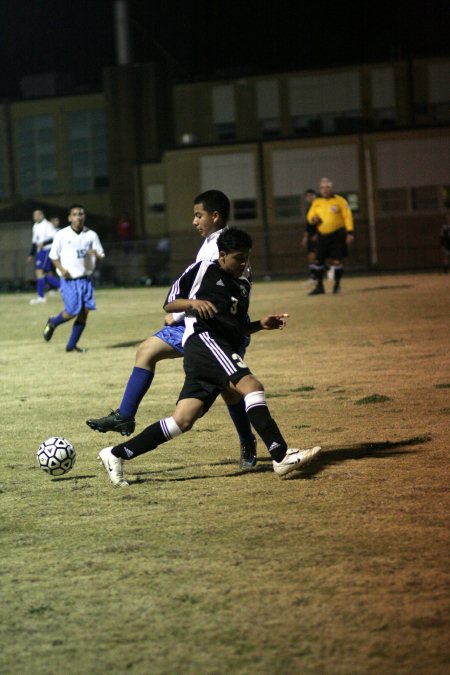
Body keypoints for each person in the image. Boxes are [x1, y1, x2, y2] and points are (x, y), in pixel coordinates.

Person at [97, 227, 322, 487]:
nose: (244, 263)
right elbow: (170, 303)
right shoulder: (202, 269)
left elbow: (235, 327)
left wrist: (261, 324)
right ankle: (281, 454)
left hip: (217, 347)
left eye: (247, 258)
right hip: (205, 341)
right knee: (251, 387)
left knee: (182, 420)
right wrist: (192, 304)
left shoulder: (243, 285)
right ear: (223, 255)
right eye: (239, 258)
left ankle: (115, 454)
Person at [87, 190, 258, 469]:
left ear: (215, 216)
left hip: (214, 329)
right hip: (191, 324)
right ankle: (125, 416)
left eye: (198, 215)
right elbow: (196, 291)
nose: (194, 221)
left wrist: (180, 312)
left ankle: (247, 440)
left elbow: (218, 299)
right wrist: (181, 312)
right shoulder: (210, 244)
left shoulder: (223, 248)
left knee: (232, 392)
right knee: (146, 351)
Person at [42, 204, 105, 352]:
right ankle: (53, 322)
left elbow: (101, 255)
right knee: (71, 311)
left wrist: (96, 255)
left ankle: (71, 346)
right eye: (75, 214)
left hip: (86, 279)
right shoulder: (62, 235)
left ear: (84, 217)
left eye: (81, 214)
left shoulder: (91, 235)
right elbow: (53, 256)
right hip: (69, 279)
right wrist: (61, 269)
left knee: (84, 312)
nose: (78, 217)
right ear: (70, 218)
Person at [306, 177, 354, 295]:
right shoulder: (317, 202)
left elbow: (347, 216)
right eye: (322, 187)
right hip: (322, 235)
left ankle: (337, 286)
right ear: (320, 189)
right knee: (318, 261)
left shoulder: (340, 201)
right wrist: (313, 219)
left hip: (337, 235)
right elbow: (310, 215)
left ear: (331, 188)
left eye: (327, 187)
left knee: (337, 261)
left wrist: (350, 232)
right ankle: (319, 287)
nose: (325, 190)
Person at [26, 209, 60, 304]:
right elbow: (34, 242)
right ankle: (62, 286)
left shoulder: (47, 225)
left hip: (46, 250)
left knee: (39, 272)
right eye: (34, 215)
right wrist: (31, 254)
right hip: (40, 251)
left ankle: (41, 297)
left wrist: (44, 243)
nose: (35, 217)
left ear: (41, 215)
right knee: (43, 274)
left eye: (37, 215)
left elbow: (54, 238)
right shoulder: (35, 226)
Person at [300, 189, 318, 282]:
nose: (310, 197)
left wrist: (318, 234)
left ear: (315, 196)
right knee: (311, 256)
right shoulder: (309, 209)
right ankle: (314, 276)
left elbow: (323, 223)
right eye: (308, 196)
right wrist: (305, 238)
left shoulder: (319, 207)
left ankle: (331, 270)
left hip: (319, 236)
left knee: (317, 256)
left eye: (311, 195)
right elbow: (308, 226)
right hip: (311, 236)